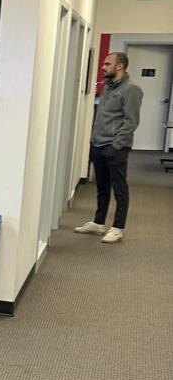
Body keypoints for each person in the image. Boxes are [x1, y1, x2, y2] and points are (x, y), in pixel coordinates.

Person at [75, 51, 142, 244]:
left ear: (119, 66)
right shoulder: (107, 86)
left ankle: (118, 228)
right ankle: (99, 223)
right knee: (102, 186)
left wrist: (116, 145)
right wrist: (93, 140)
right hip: (98, 143)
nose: (103, 67)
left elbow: (131, 121)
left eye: (107, 64)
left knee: (119, 188)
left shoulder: (132, 89)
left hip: (115, 147)